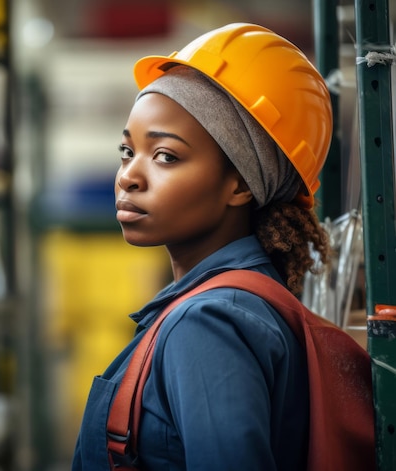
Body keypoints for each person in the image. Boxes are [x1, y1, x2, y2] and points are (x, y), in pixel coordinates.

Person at [71, 23, 333, 470]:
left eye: (166, 156)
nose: (128, 175)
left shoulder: (210, 322)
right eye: (126, 150)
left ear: (240, 185)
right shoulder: (238, 304)